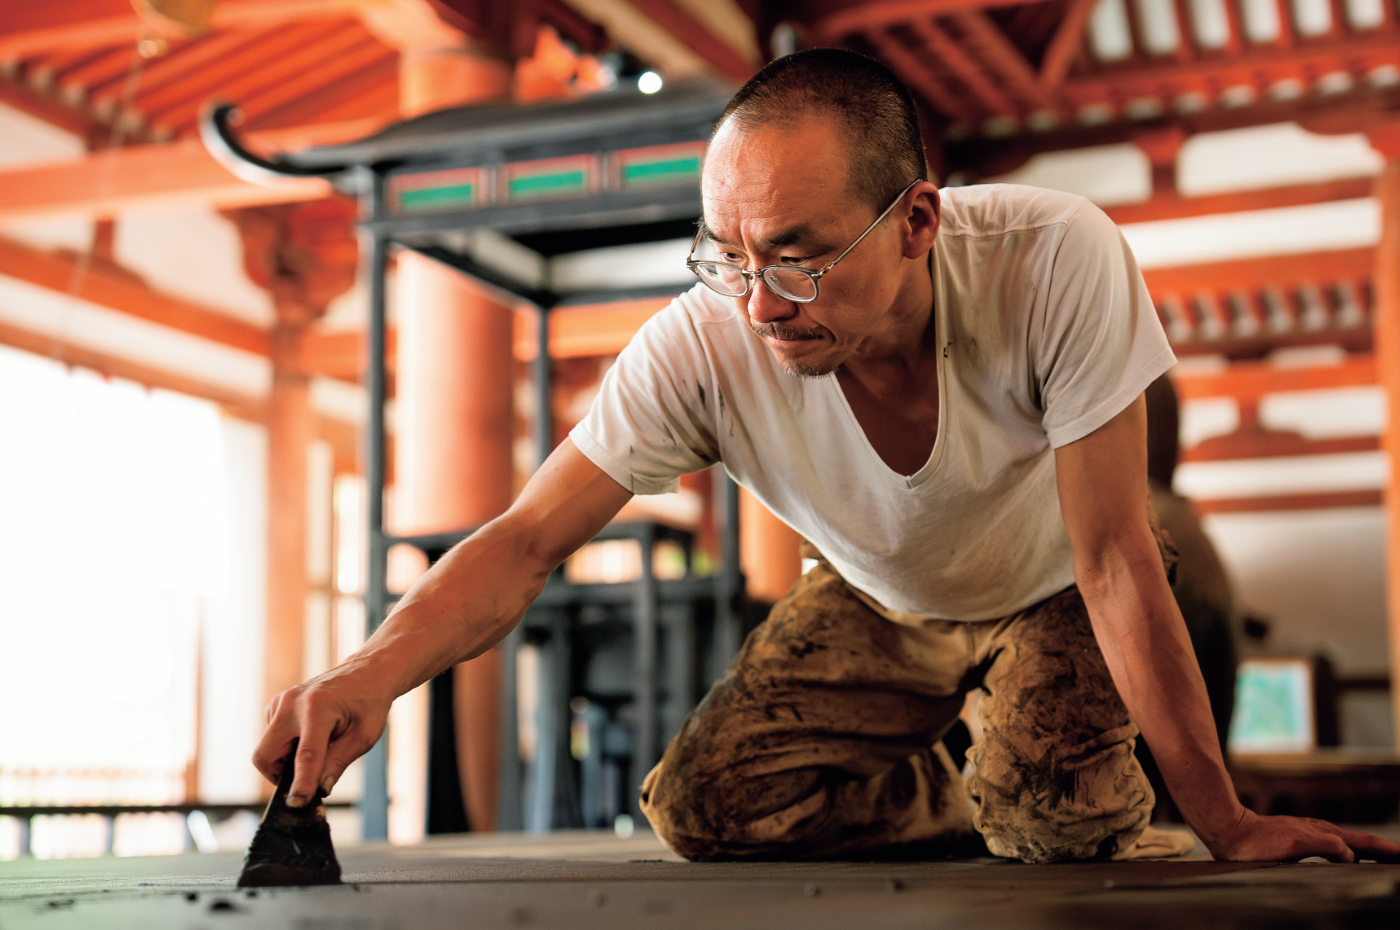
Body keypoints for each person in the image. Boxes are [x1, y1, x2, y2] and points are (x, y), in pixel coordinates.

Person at [255, 49, 1400, 864]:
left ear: (915, 220)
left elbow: (1110, 555)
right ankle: (937, 794)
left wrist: (1226, 821)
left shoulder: (1054, 258)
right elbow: (522, 541)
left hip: (1055, 586)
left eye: (797, 259)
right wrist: (367, 674)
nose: (758, 303)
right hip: (875, 599)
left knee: (1056, 830)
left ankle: (1015, 780)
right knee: (704, 810)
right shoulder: (702, 341)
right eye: (727, 254)